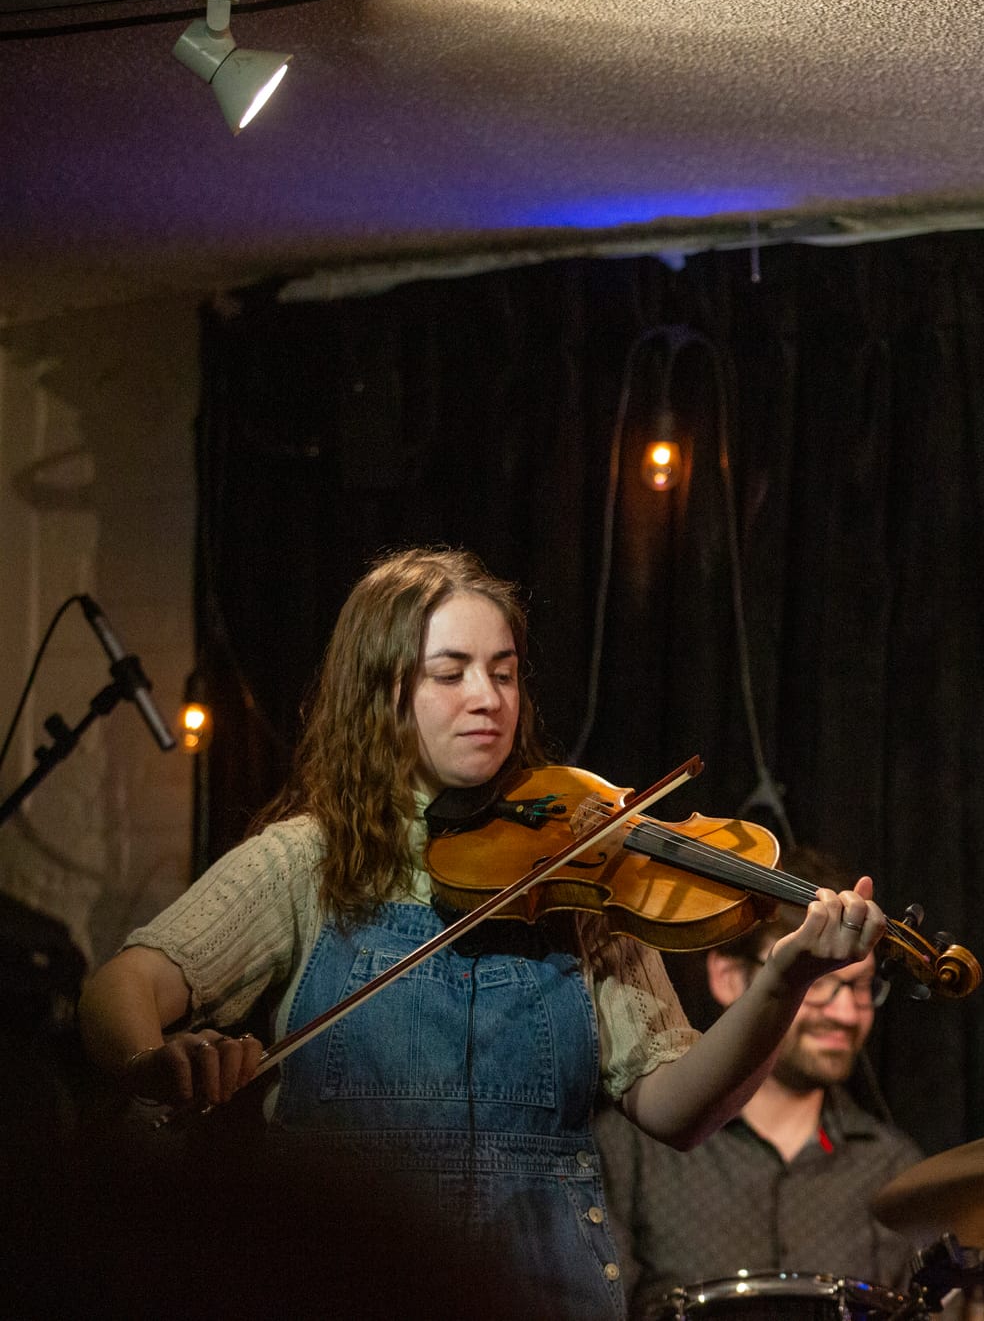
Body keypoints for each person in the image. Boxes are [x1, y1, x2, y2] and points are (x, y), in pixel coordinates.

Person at [75, 547, 886, 1321]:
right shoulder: (311, 859)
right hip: (343, 1287)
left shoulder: (579, 870)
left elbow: (676, 1106)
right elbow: (123, 984)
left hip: (539, 1288)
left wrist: (785, 978)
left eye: (503, 672)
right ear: (382, 691)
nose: (489, 697)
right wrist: (152, 1056)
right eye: (450, 672)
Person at [593, 847, 924, 1319]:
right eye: (817, 982)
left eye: (860, 987)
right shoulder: (631, 1152)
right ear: (728, 978)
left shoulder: (893, 1169)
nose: (847, 1013)